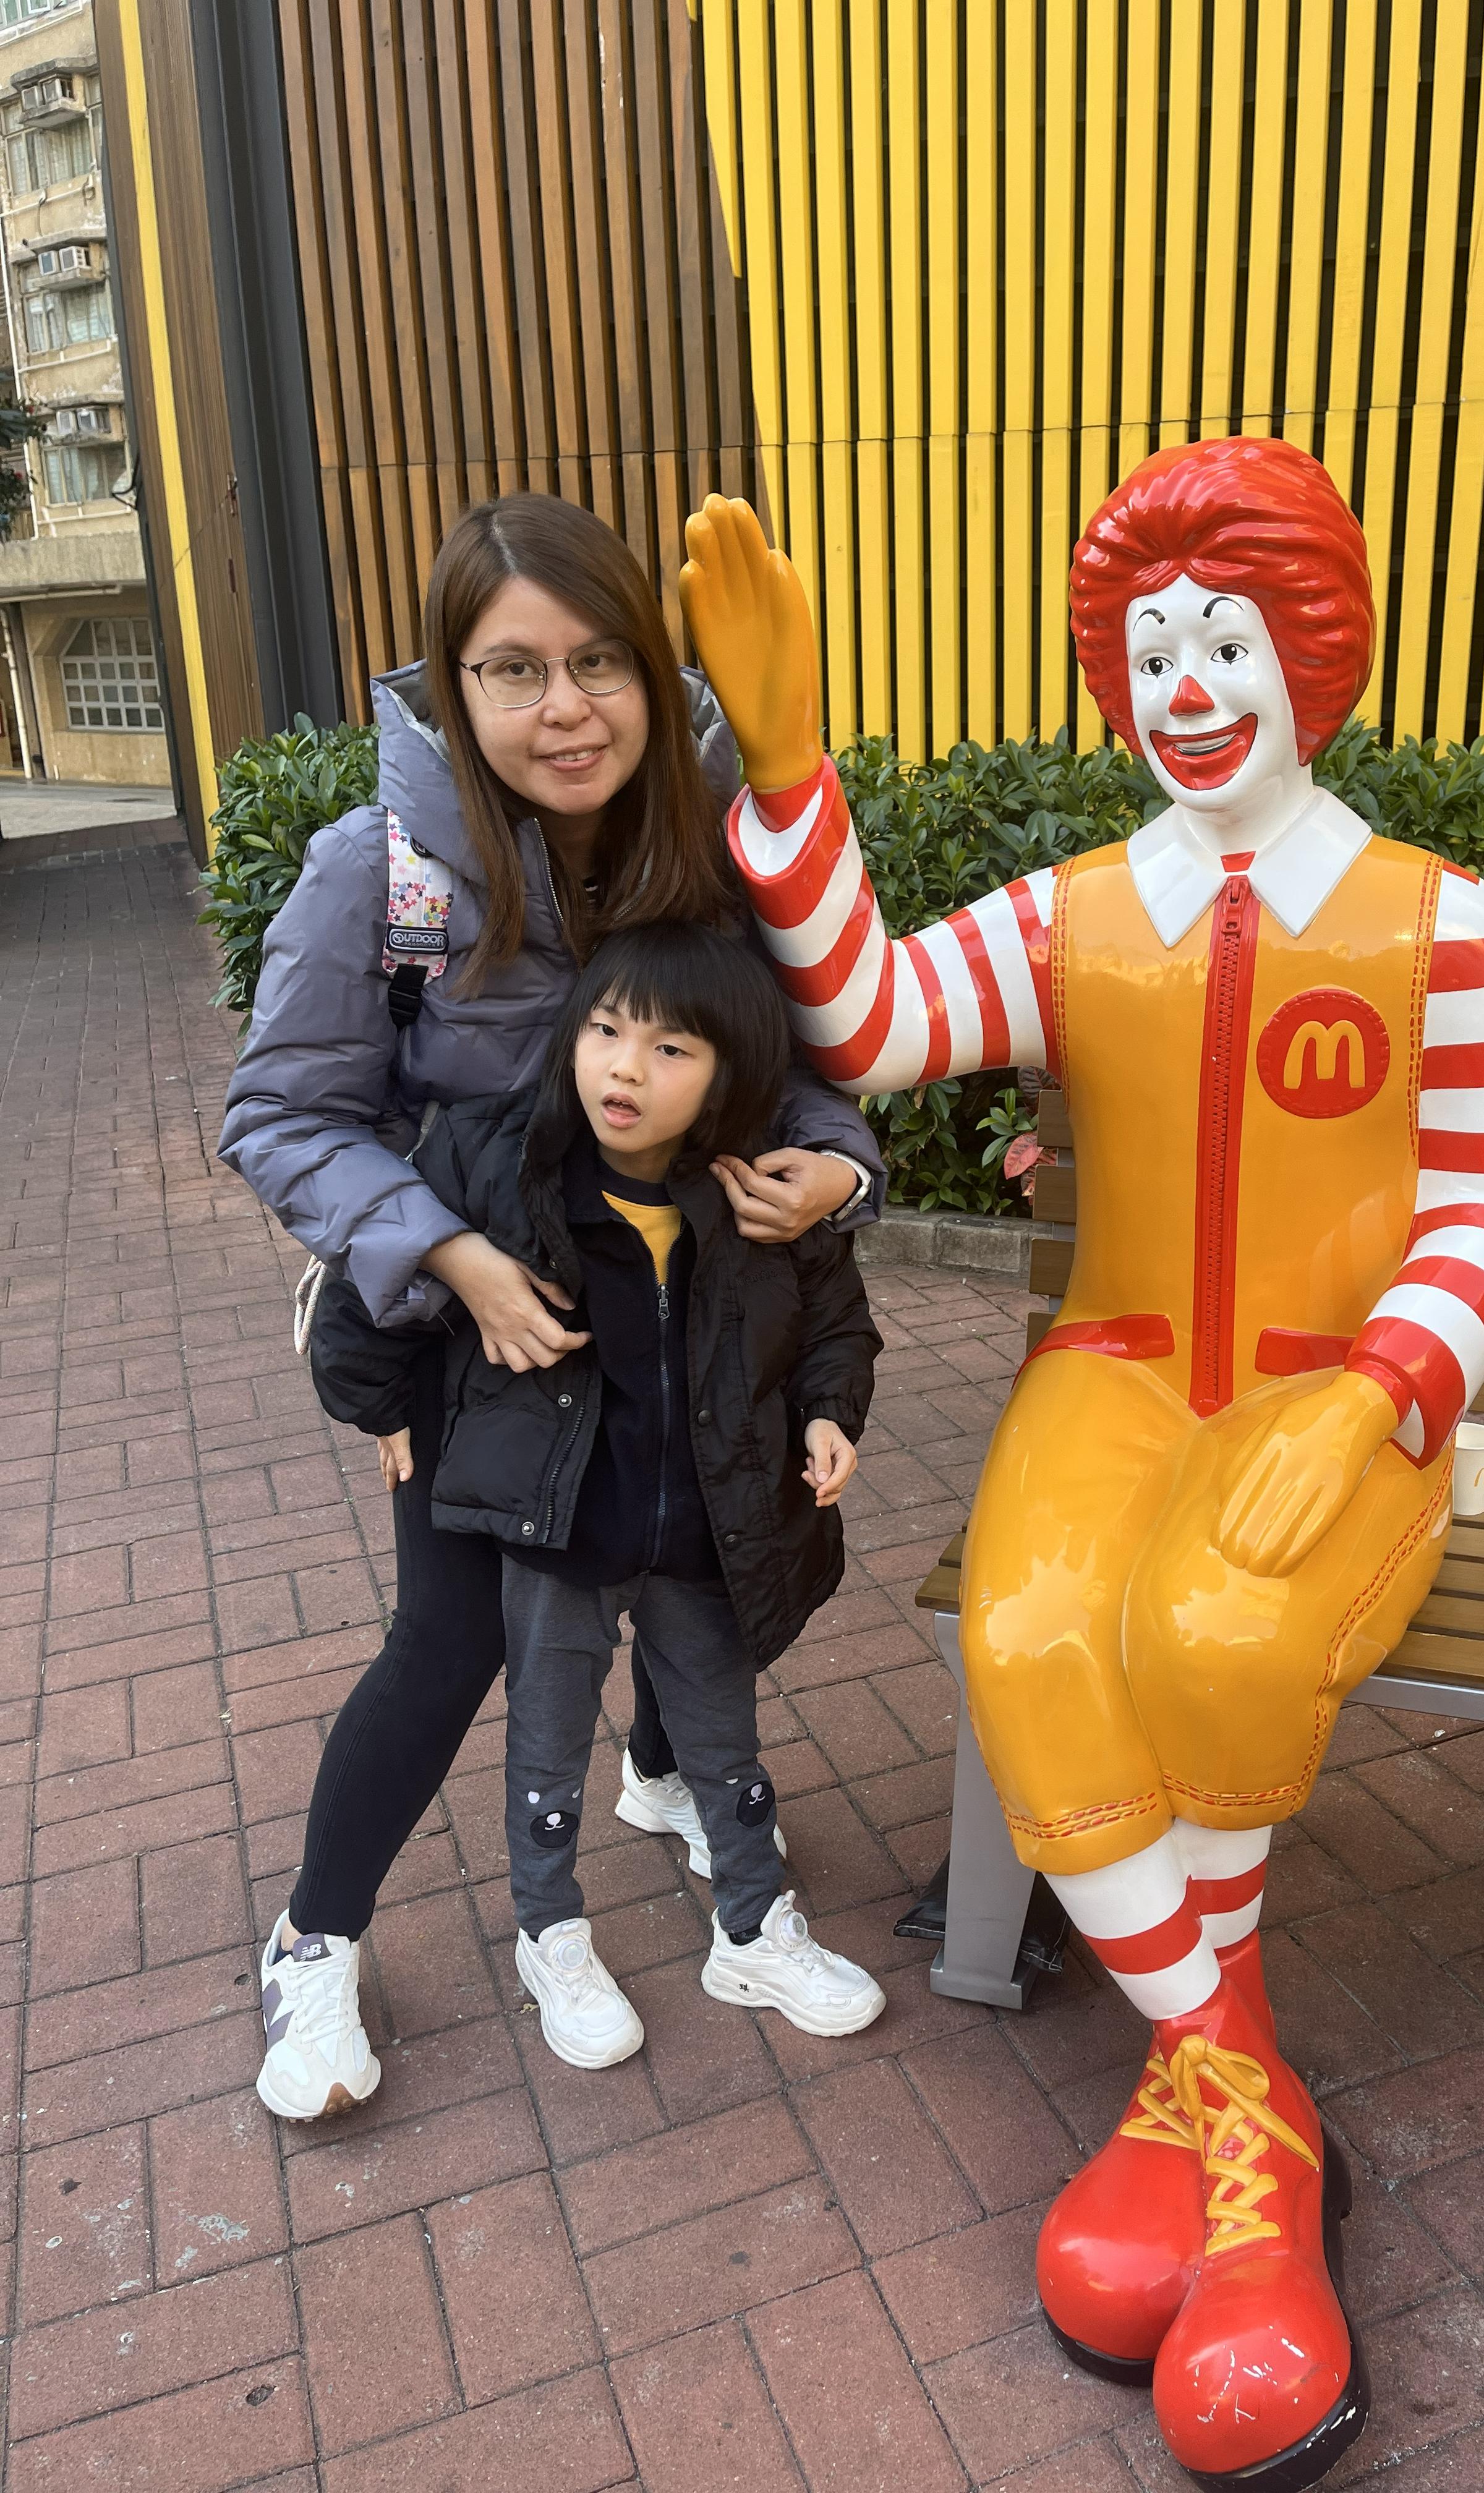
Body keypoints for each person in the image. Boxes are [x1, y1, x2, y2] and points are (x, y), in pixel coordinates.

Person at [678, 448, 1484, 2487]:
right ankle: (1246, 2103)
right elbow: (875, 1016)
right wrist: (787, 776)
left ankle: (1194, 2113)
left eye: (1224, 641)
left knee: (1216, 1636)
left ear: (1312, 653)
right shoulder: (1083, 914)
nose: (1187, 688)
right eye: (1151, 652)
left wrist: (1379, 1391)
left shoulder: (1449, 924)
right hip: (1125, 1367)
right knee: (1033, 1632)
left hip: (1344, 1391)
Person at [219, 495, 885, 2119]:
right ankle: (314, 1940)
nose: (564, 707)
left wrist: (835, 1168)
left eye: (600, 662)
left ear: (653, 674)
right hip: (487, 1338)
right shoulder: (381, 878)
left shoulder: (711, 849)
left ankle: (659, 1772)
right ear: (454, 688)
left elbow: (788, 1061)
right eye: (513, 670)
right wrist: (446, 1261)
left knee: (698, 1556)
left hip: (678, 1303)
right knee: (457, 1636)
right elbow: (284, 1115)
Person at [302, 921, 885, 2083]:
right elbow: (370, 1287)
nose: (626, 1068)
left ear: (729, 1073)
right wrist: (383, 1409)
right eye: (608, 1032)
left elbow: (835, 1320)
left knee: (725, 1741)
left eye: (671, 1050)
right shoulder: (500, 1165)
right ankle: (552, 1935)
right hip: (560, 1533)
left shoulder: (756, 1194)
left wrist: (832, 1414)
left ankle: (753, 1933)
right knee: (548, 1746)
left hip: (702, 1530)